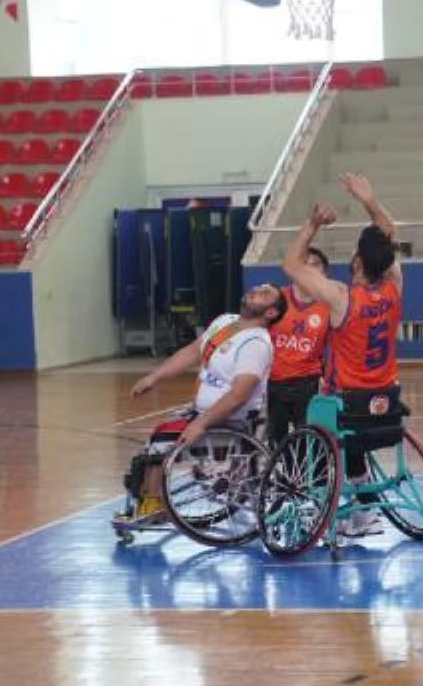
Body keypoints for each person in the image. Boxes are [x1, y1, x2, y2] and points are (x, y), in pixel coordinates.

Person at [281, 172, 403, 537]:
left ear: (358, 264)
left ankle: (327, 501)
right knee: (352, 430)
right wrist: (369, 200)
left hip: (344, 401)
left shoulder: (341, 297)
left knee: (314, 413)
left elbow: (291, 265)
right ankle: (364, 502)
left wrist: (312, 225)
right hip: (386, 399)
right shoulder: (395, 286)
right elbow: (388, 235)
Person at [114, 283, 288, 526]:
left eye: (265, 294)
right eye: (258, 288)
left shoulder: (256, 345)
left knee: (160, 443)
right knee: (153, 443)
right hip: (202, 413)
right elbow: (193, 352)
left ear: (271, 313)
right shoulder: (226, 322)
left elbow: (239, 395)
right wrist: (155, 377)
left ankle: (153, 505)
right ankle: (149, 500)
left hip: (230, 422)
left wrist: (200, 424)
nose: (256, 290)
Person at [266, 246, 332, 448]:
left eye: (315, 265)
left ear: (324, 273)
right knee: (277, 443)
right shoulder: (276, 299)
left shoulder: (330, 305)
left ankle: (310, 477)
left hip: (308, 383)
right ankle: (282, 478)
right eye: (304, 264)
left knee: (308, 442)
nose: (309, 269)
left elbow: (337, 349)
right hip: (273, 382)